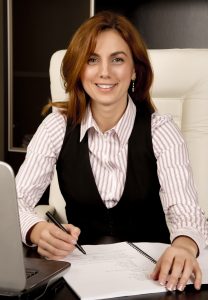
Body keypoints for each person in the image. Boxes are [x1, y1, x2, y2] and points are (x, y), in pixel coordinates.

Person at [16, 10, 208, 292]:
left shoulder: (161, 130)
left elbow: (187, 213)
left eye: (117, 59)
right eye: (92, 60)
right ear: (79, 68)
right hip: (81, 278)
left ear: (134, 70)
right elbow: (12, 202)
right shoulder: (56, 126)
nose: (104, 72)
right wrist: (35, 229)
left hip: (152, 277)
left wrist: (184, 245)